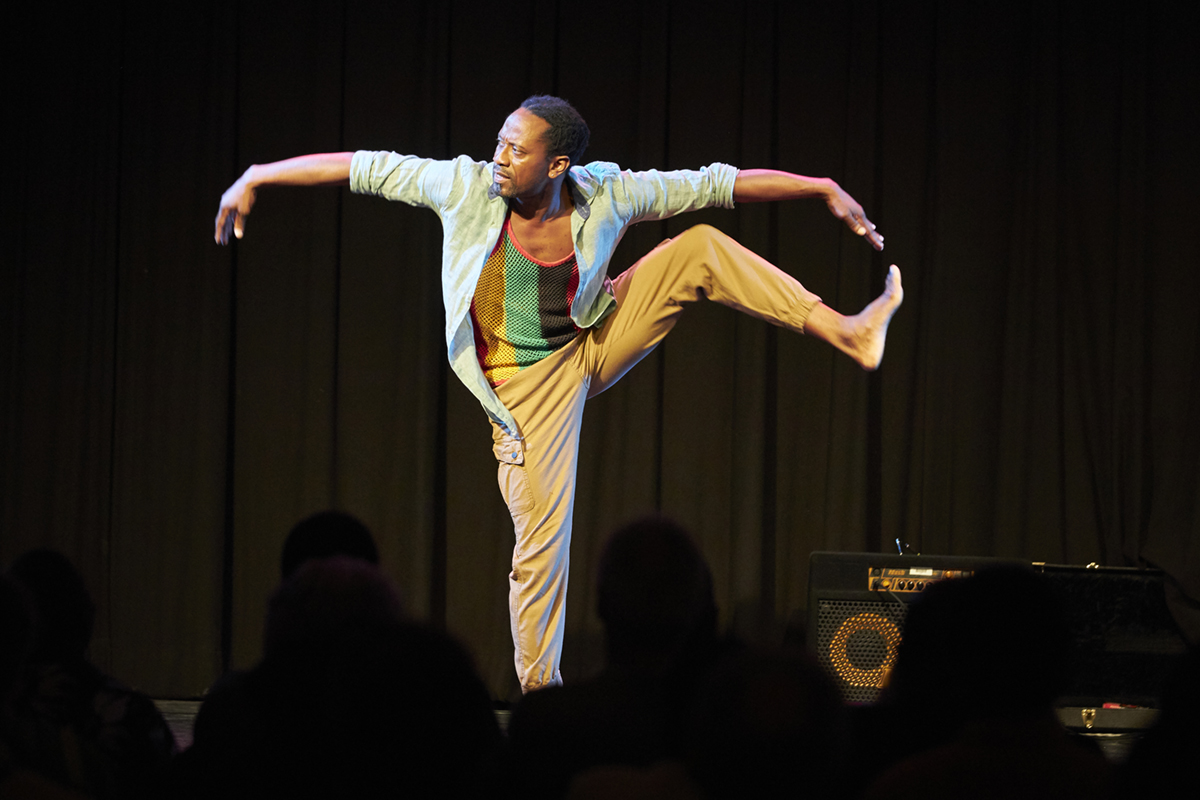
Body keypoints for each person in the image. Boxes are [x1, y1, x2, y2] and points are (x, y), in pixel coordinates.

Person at [214, 95, 904, 693]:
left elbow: (719, 183)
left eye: (516, 149)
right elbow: (358, 165)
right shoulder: (462, 188)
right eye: (498, 144)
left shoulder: (607, 191)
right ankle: (545, 695)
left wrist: (818, 185)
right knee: (541, 546)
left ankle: (847, 332)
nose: (499, 158)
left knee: (698, 246)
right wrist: (257, 176)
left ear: (557, 165)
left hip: (593, 334)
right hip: (524, 387)